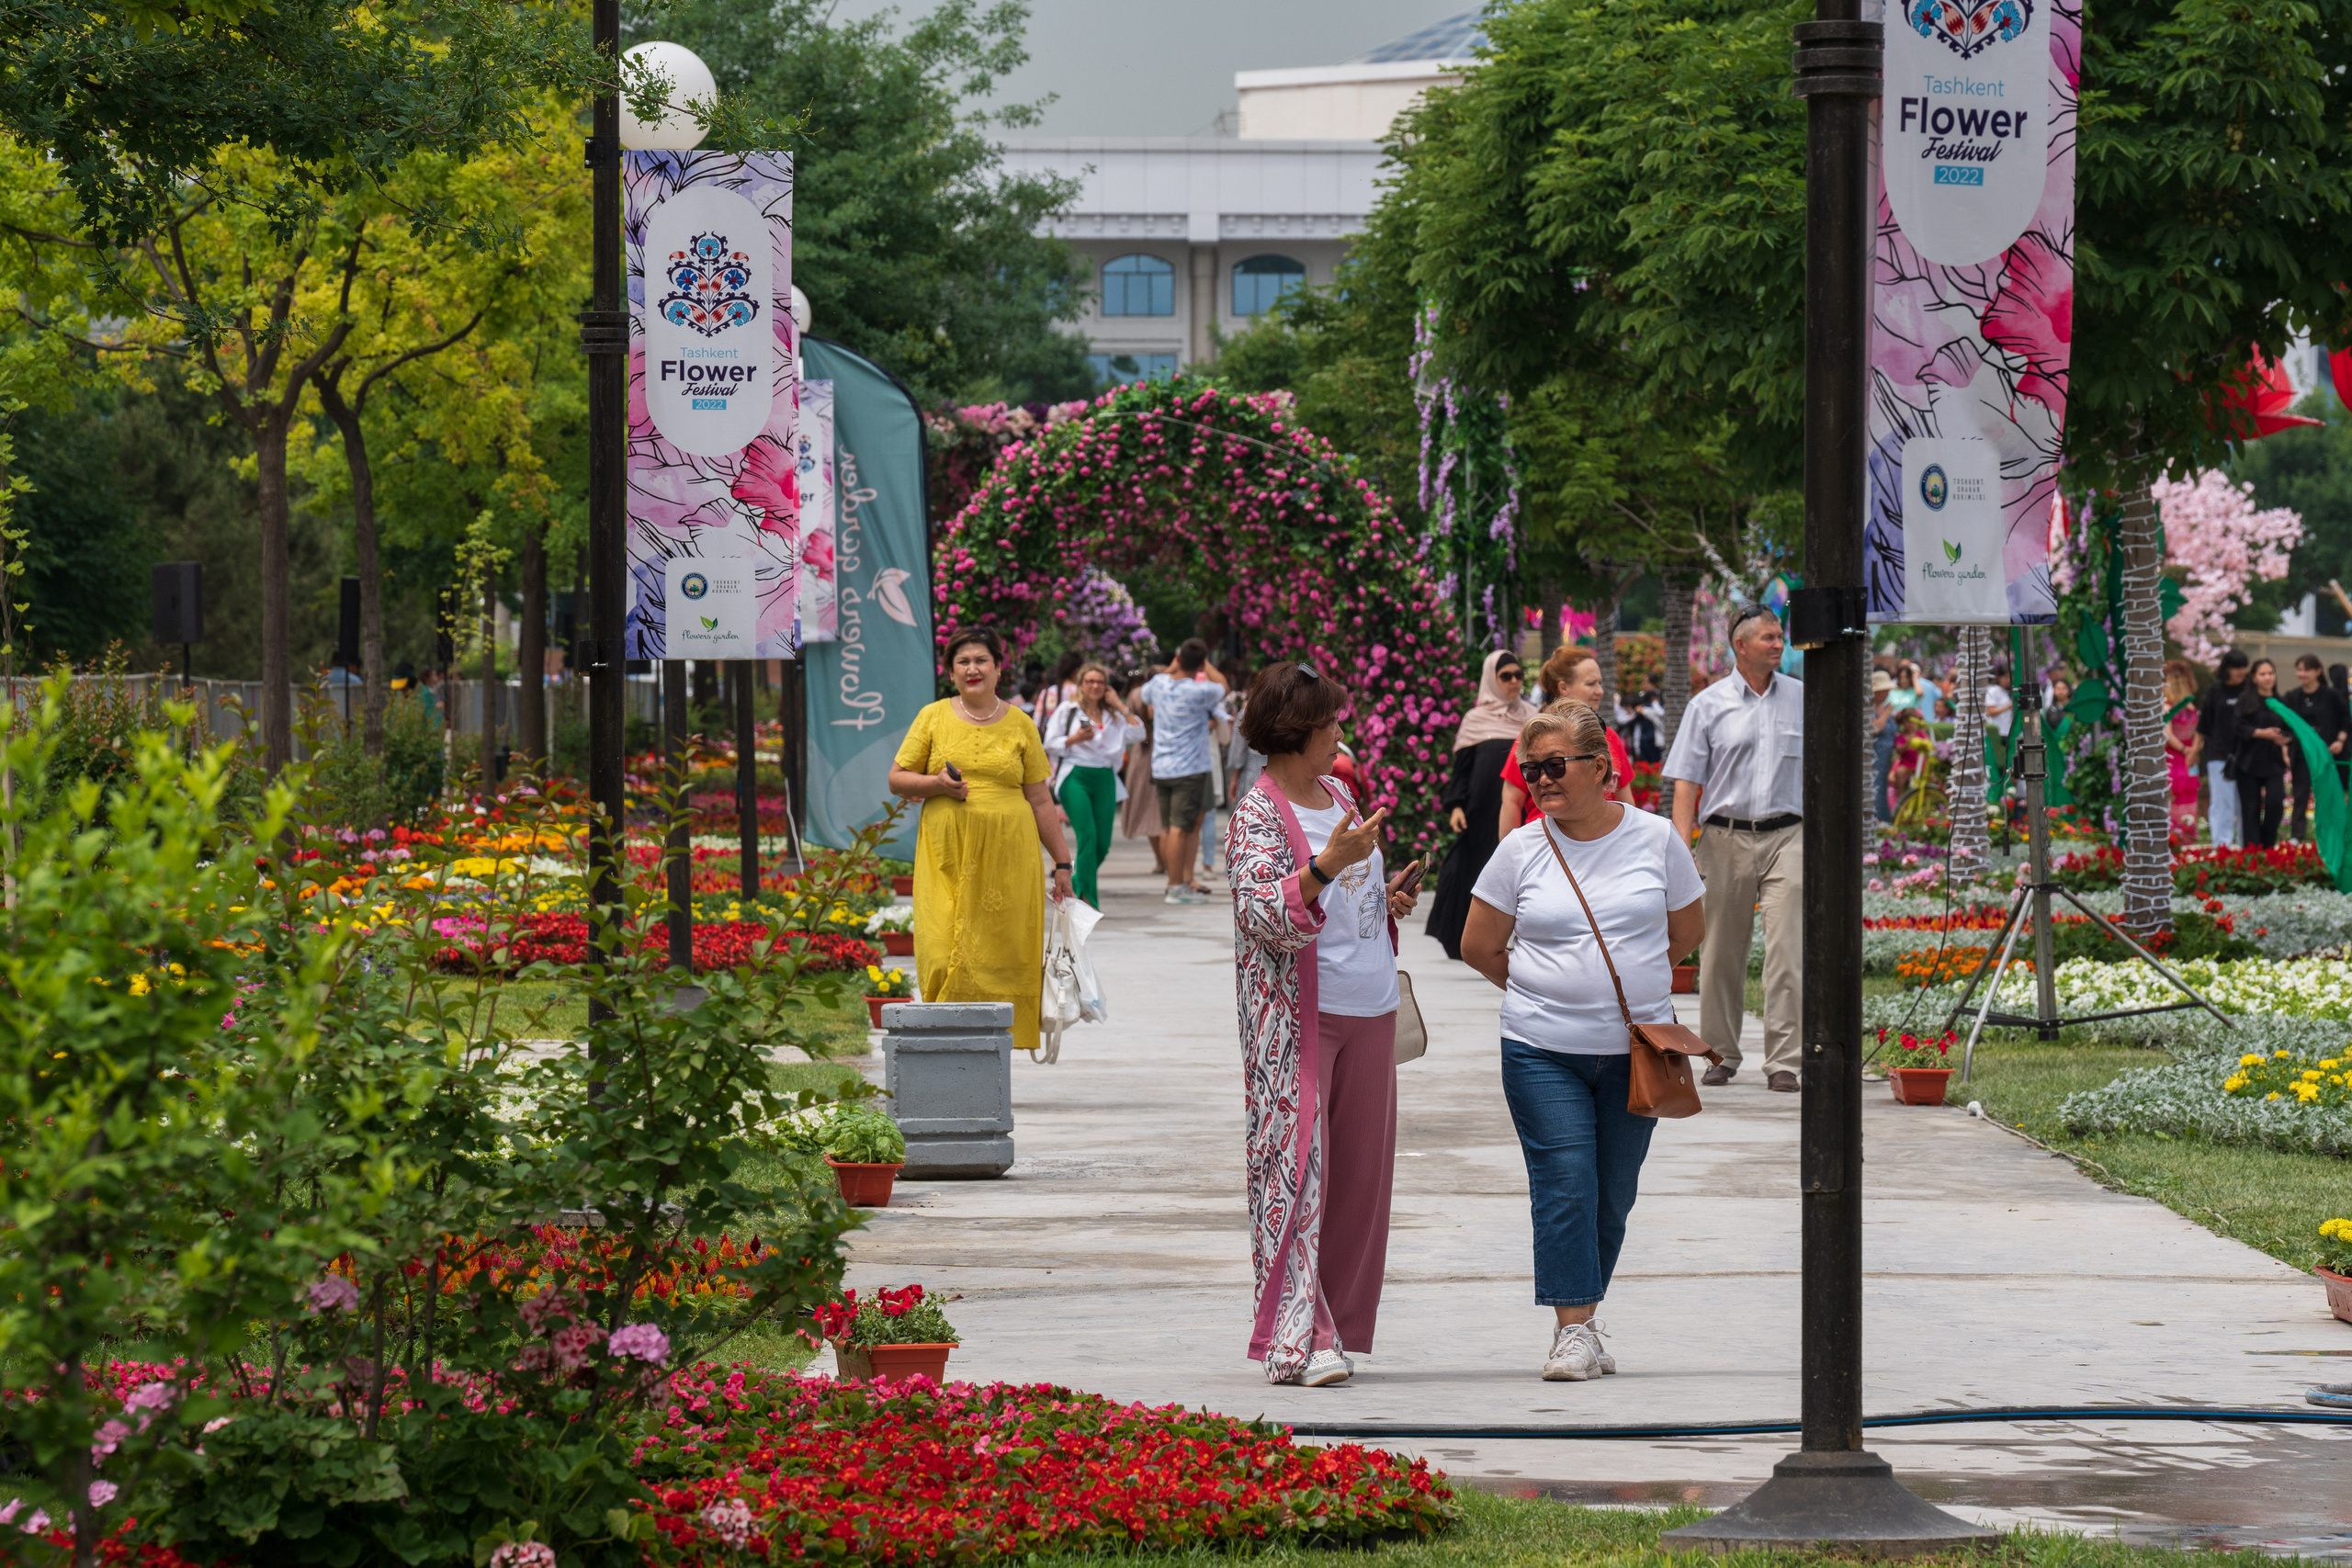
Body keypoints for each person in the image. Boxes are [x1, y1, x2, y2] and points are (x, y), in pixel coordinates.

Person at [1459, 704, 1704, 1381]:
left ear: (1601, 768)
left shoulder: (1657, 840)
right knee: (1566, 1183)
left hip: (1638, 1054)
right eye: (1532, 769)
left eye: (1554, 765)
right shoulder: (1521, 849)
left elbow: (1685, 928)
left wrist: (1626, 982)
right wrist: (1546, 989)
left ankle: (1585, 1321)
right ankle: (1573, 1330)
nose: (1540, 780)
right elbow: (1478, 945)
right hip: (1540, 1048)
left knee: (1612, 1193)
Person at [1225, 660, 1421, 1387]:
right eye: (1331, 721)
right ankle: (1297, 1338)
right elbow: (1262, 914)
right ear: (1297, 730)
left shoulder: (1339, 792)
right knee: (1299, 1175)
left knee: (1357, 1183)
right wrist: (1326, 867)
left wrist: (1386, 896)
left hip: (1371, 1010)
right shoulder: (1256, 813)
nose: (1342, 730)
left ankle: (1329, 1319)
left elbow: (1351, 898)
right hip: (1299, 1025)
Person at [888, 628, 1077, 1056]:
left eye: (981, 661)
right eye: (963, 662)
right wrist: (935, 783)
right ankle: (943, 1046)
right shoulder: (933, 716)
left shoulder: (1021, 723)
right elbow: (897, 778)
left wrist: (1062, 864)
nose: (972, 669)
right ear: (951, 671)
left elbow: (1040, 798)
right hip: (946, 854)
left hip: (1009, 856)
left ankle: (986, 1056)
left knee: (1000, 957)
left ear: (997, 667)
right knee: (940, 952)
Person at [1663, 604, 1803, 1092]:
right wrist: (1681, 851)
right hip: (1723, 838)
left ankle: (1785, 1061)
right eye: (1767, 636)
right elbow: (1687, 784)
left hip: (1790, 835)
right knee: (1720, 949)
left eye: (1779, 635)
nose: (1776, 642)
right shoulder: (1708, 704)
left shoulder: (1804, 699)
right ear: (1740, 646)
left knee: (1788, 949)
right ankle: (1720, 1054)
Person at [1425, 651, 1537, 960]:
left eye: (1518, 674)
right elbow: (1463, 769)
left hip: (1518, 810)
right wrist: (1457, 807)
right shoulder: (1475, 719)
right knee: (1471, 871)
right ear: (1492, 679)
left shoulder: (1532, 716)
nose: (1514, 681)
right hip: (1479, 811)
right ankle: (1461, 939)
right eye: (1506, 676)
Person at [1497, 649, 1635, 831]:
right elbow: (1511, 802)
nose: (1600, 691)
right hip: (1544, 847)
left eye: (1600, 683)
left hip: (1602, 847)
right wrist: (1513, 854)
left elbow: (1627, 804)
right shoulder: (1534, 737)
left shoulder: (1610, 737)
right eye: (1591, 683)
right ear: (1564, 688)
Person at [1139, 639, 1229, 905]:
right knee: (1181, 828)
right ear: (1201, 664)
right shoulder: (1201, 691)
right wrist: (1206, 664)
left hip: (1162, 766)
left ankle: (1174, 882)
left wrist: (1173, 664)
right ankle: (1175, 886)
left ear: (1177, 659)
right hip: (1190, 768)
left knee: (1168, 828)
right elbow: (1224, 686)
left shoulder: (1158, 684)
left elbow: (1145, 694)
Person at [1043, 663, 1139, 907]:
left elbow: (1139, 734)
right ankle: (1088, 901)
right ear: (1081, 685)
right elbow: (1048, 742)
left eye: (1100, 682)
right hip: (1075, 773)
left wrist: (1120, 705)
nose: (1095, 686)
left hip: (1105, 776)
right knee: (1088, 836)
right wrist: (1075, 739)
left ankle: (1073, 886)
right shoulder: (1068, 710)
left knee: (1102, 844)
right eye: (1090, 681)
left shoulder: (1114, 716)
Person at [2280, 653, 2348, 842]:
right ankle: (2297, 836)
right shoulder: (2293, 697)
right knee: (2300, 796)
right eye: (2299, 670)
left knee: (2327, 796)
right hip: (2302, 755)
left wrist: (2339, 741)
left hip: (2327, 755)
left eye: (2306, 670)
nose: (2302, 674)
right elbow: (2286, 727)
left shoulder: (2331, 695)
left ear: (2318, 671)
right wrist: (2286, 749)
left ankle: (2329, 834)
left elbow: (2345, 720)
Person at [2196, 649, 2256, 849]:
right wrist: (2194, 750)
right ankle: (2222, 845)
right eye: (2236, 667)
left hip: (2246, 755)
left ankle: (2246, 844)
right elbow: (2204, 724)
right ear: (2226, 669)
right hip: (2218, 753)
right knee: (2222, 801)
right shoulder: (2215, 691)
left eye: (2243, 667)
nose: (2240, 671)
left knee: (2245, 802)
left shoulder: (2250, 690)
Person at [2233, 658, 2290, 849]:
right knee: (2250, 809)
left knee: (2275, 804)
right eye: (2263, 674)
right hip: (2248, 763)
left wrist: (2284, 739)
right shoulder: (2245, 700)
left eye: (2271, 673)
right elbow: (2237, 726)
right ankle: (2253, 852)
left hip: (2273, 762)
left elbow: (2290, 729)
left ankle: (2267, 847)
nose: (2268, 678)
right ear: (2254, 678)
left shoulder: (2280, 702)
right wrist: (2261, 733)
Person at [2162, 660, 2203, 840]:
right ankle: (2188, 835)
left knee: (2174, 796)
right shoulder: (2192, 709)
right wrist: (2193, 750)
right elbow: (2200, 733)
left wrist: (2184, 750)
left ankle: (2175, 838)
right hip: (2190, 760)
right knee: (2189, 796)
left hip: (2174, 758)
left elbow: (2166, 734)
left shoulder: (2167, 708)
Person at [1870, 668, 1898, 823]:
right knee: (1876, 791)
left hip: (1887, 761)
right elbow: (1874, 728)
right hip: (1875, 760)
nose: (1887, 694)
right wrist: (1887, 712)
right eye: (1884, 691)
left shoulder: (1884, 708)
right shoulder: (1868, 709)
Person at [1984, 660, 2015, 739]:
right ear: (1999, 678)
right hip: (1998, 731)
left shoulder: (2007, 692)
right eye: (2006, 677)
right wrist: (2008, 706)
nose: (2008, 680)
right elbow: (1990, 711)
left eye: (2010, 677)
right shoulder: (1993, 691)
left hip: (2007, 731)